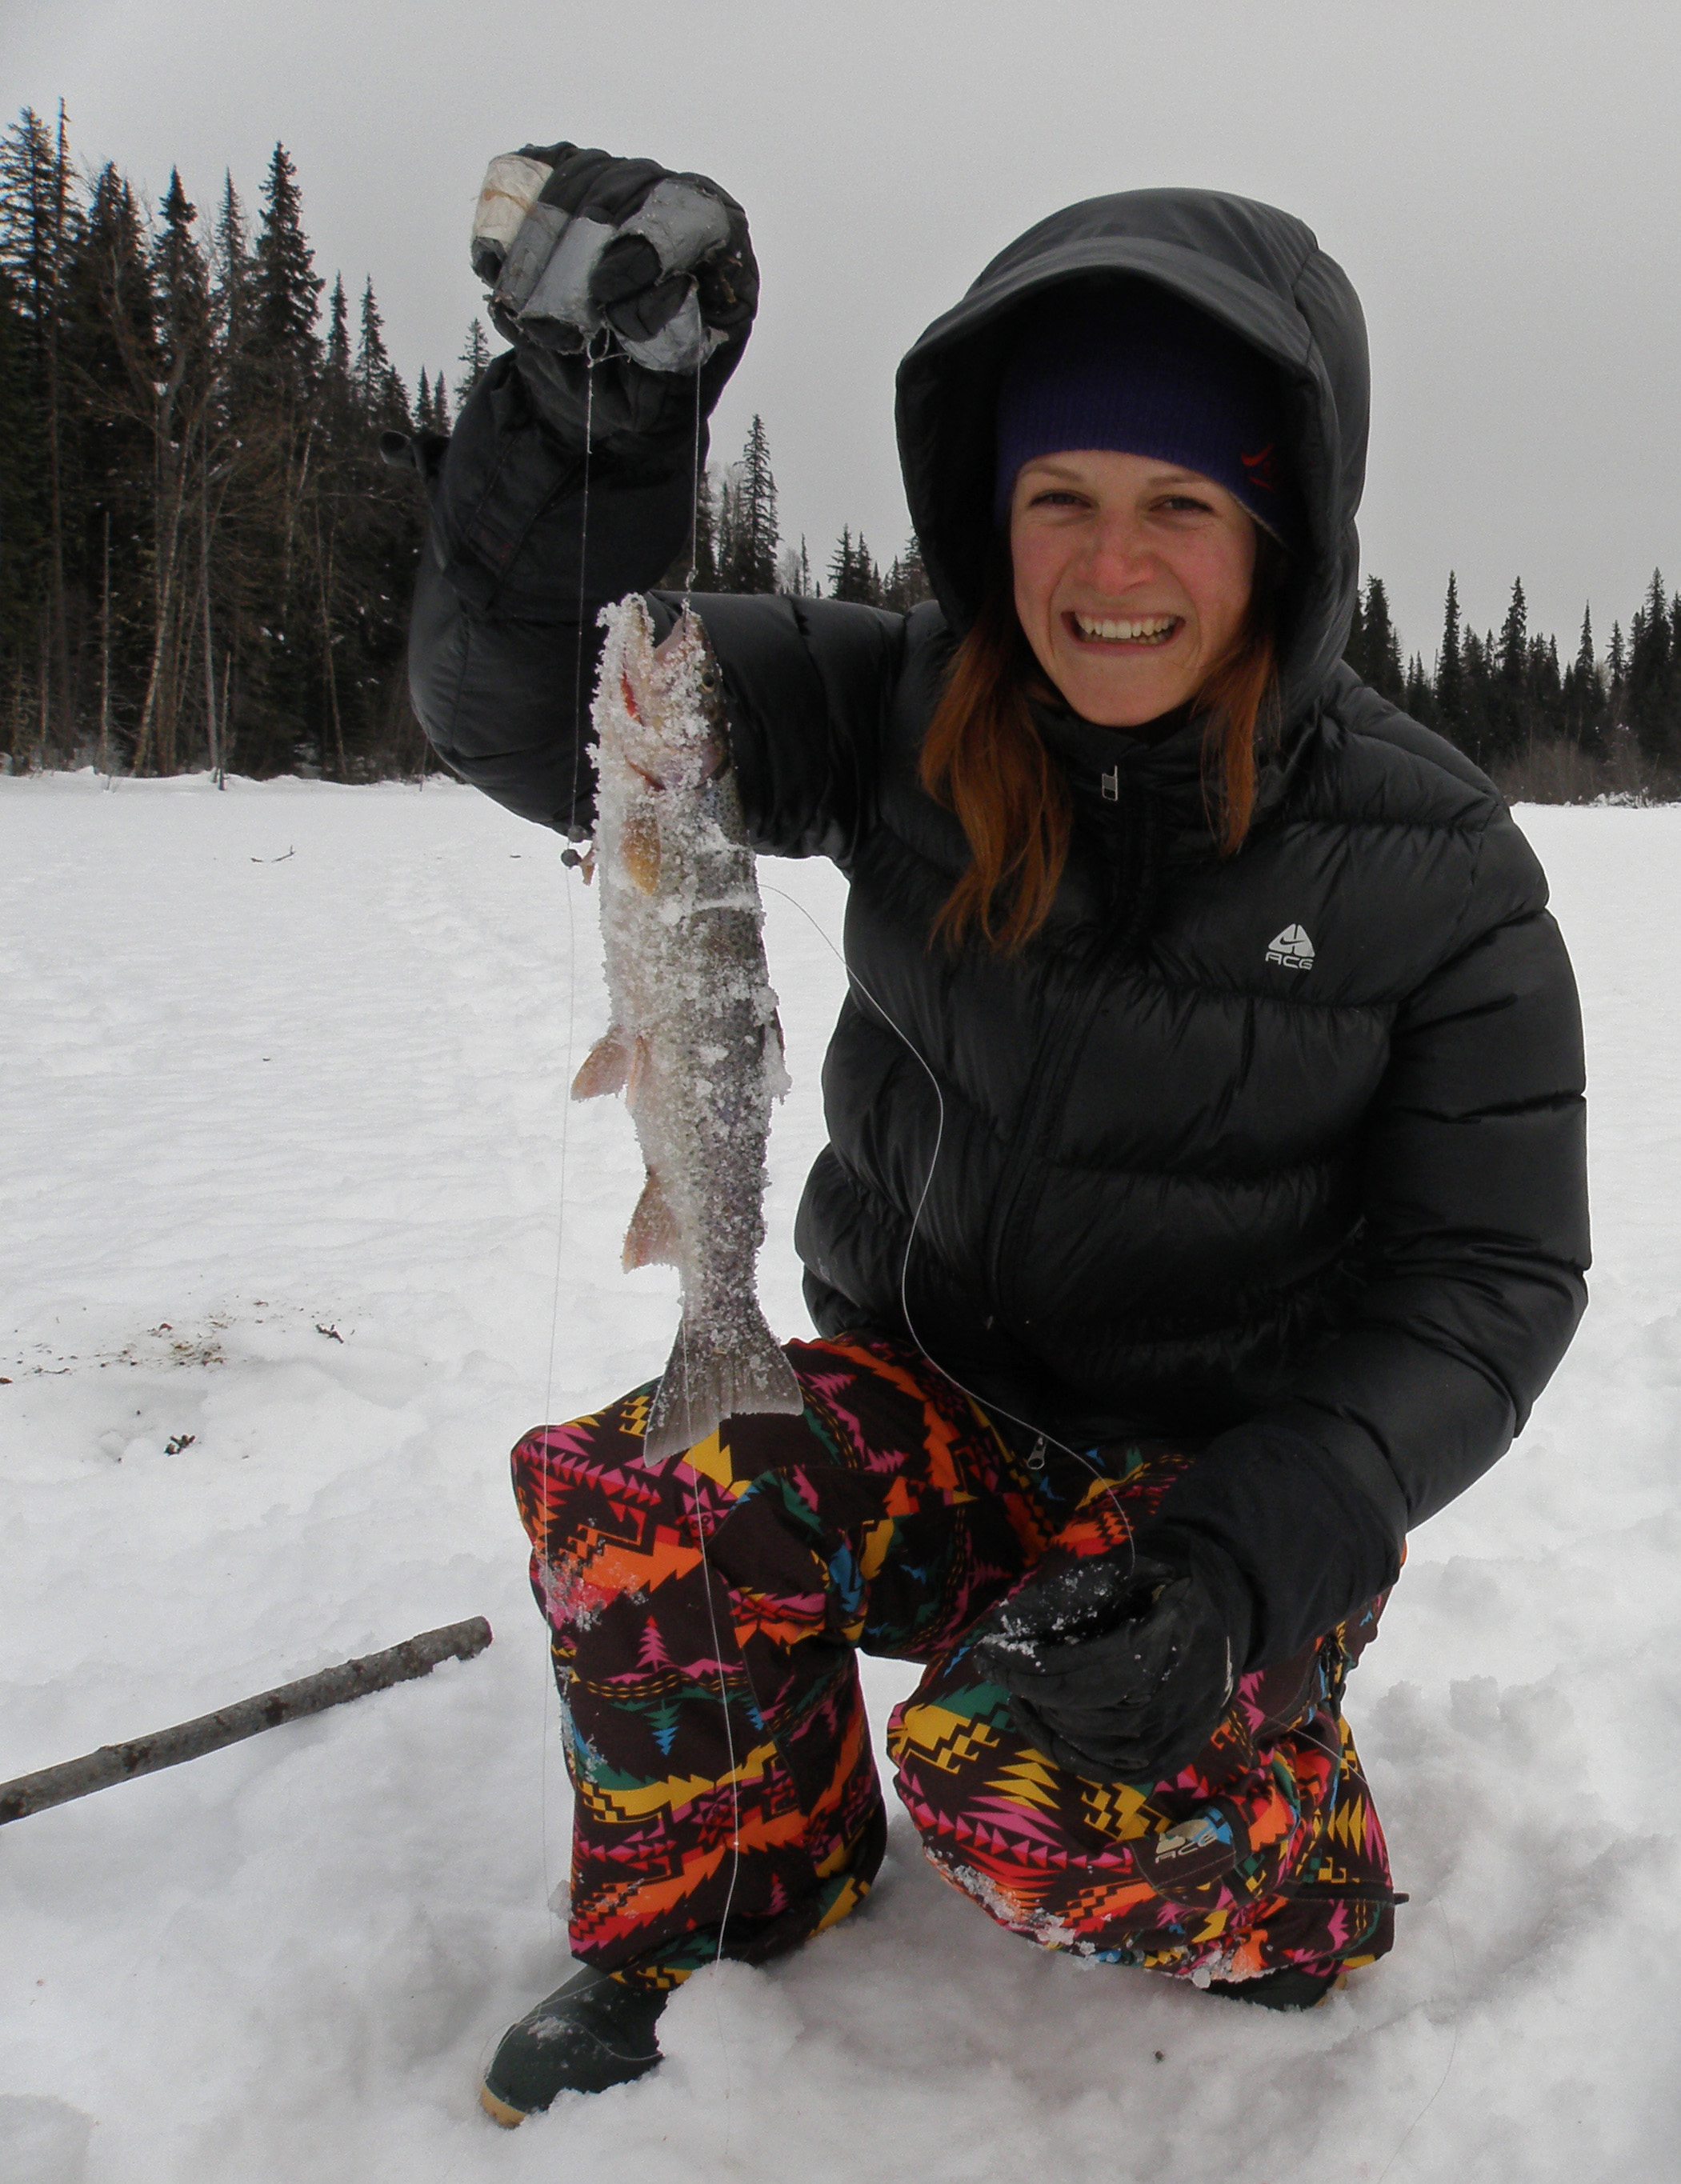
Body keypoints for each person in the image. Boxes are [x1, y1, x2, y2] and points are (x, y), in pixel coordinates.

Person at [404, 146, 1588, 2126]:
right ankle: (729, 1895)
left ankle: (1293, 1878)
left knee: (1030, 1783)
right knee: (654, 1497)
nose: (1110, 573)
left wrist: (1246, 1561)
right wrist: (578, 412)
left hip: (1230, 1488)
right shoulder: (898, 710)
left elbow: (1492, 1284)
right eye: (1060, 502)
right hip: (937, 1404)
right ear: (992, 513)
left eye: (1176, 509)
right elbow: (545, 710)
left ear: (1279, 537)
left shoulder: (1440, 864)